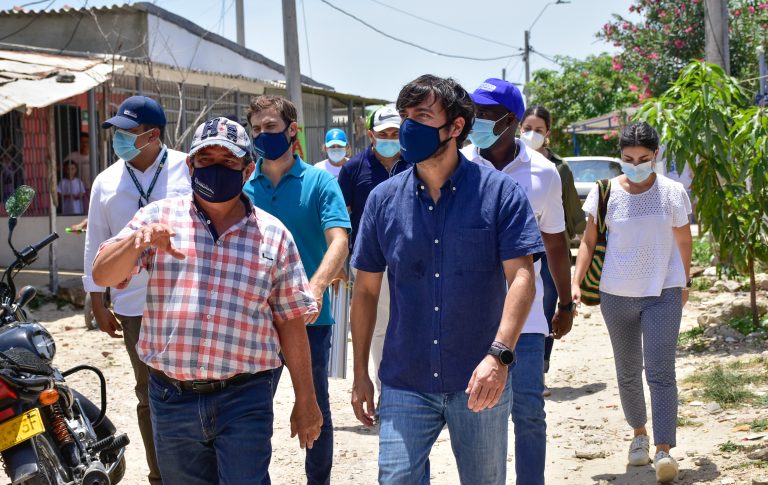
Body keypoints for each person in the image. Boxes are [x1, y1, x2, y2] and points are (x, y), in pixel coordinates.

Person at [91, 117, 322, 485]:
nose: (215, 169)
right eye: (206, 159)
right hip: (171, 399)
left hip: (244, 399)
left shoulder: (274, 237)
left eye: (228, 162)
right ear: (190, 165)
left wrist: (306, 400)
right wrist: (138, 242)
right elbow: (102, 273)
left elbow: (291, 323)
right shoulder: (157, 220)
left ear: (247, 169)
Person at [350, 74, 544, 485]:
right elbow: (366, 290)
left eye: (421, 116)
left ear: (456, 127)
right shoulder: (383, 201)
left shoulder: (500, 194)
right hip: (405, 380)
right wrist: (360, 374)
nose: (407, 128)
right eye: (405, 117)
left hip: (480, 380)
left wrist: (500, 356)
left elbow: (522, 278)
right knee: (396, 479)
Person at [461, 79, 575, 485]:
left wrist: (565, 302)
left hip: (525, 316)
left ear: (510, 121)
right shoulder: (459, 166)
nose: (476, 121)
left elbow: (556, 242)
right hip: (472, 315)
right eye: (473, 112)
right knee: (481, 413)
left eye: (486, 114)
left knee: (528, 410)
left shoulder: (543, 174)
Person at [572, 122, 692, 483]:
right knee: (627, 371)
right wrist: (576, 284)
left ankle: (664, 450)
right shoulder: (604, 192)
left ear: (655, 155)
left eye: (643, 158)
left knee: (661, 371)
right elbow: (589, 242)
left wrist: (685, 281)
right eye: (628, 158)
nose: (635, 164)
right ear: (620, 157)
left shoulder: (672, 192)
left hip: (664, 292)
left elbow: (684, 240)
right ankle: (638, 435)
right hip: (615, 294)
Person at [83, 95, 192, 485]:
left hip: (184, 297)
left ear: (152, 136)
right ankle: (160, 475)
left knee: (189, 385)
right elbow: (96, 241)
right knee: (149, 393)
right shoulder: (106, 181)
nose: (119, 141)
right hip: (133, 305)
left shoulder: (187, 168)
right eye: (116, 134)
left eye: (127, 134)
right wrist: (97, 298)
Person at [244, 95, 350, 485]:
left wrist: (316, 287)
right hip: (256, 322)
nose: (262, 135)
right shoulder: (243, 185)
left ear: (292, 130)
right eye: (256, 129)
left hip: (311, 319)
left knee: (314, 405)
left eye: (270, 127)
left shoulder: (320, 182)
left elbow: (339, 240)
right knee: (253, 413)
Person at [337, 105, 409, 399]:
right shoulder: (354, 168)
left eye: (395, 133)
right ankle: (385, 390)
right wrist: (341, 261)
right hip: (369, 263)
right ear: (371, 135)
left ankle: (409, 387)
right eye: (383, 134)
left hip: (410, 260)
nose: (389, 138)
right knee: (378, 328)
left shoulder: (416, 163)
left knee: (409, 323)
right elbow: (341, 217)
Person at [519, 105, 586, 394]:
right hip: (516, 250)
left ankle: (539, 368)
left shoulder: (557, 169)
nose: (532, 134)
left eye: (538, 129)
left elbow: (571, 212)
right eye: (527, 128)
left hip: (548, 251)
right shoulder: (507, 163)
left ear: (548, 134)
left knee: (544, 311)